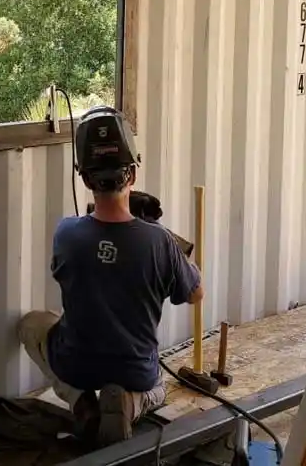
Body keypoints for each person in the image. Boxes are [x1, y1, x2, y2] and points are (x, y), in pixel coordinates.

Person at [17, 106, 204, 447]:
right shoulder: (159, 241)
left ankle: (80, 400)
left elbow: (79, 268)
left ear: (85, 179)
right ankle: (129, 404)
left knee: (31, 324)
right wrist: (157, 234)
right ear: (132, 174)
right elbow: (195, 293)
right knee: (160, 385)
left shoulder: (66, 234)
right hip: (134, 371)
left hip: (76, 365)